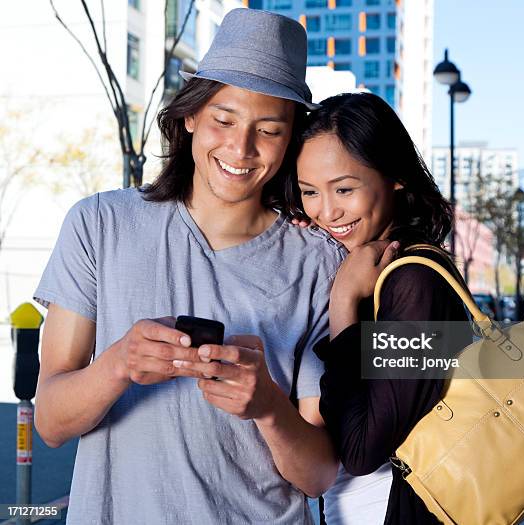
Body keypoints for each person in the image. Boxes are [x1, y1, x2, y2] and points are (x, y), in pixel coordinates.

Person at [33, 9, 343, 524]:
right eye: (224, 120)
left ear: (290, 140)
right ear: (190, 116)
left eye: (268, 130)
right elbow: (49, 421)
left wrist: (267, 404)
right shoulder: (99, 224)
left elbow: (318, 475)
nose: (240, 149)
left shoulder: (319, 261)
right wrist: (117, 364)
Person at [287, 93, 470, 524]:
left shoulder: (414, 281)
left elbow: (362, 449)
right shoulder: (378, 267)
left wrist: (344, 304)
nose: (326, 211)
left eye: (344, 189)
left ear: (396, 177)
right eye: (310, 192)